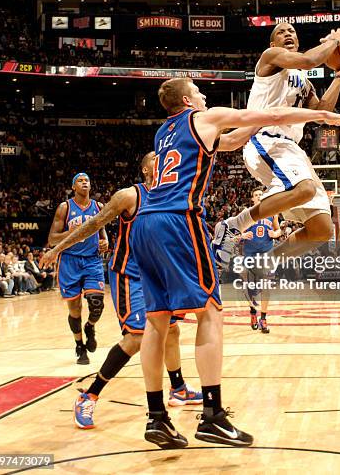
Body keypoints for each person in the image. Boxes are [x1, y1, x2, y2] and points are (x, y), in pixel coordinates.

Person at [131, 77, 340, 450]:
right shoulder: (203, 117)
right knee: (210, 313)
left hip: (146, 222)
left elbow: (233, 140)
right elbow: (269, 112)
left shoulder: (163, 134)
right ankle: (212, 416)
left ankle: (156, 418)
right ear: (188, 100)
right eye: (199, 92)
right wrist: (321, 113)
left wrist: (256, 128)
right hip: (177, 221)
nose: (205, 96)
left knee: (157, 323)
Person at [41, 136, 257, 429]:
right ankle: (89, 395)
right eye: (157, 159)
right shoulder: (130, 195)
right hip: (131, 276)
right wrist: (56, 248)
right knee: (138, 337)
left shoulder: (176, 196)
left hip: (161, 275)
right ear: (146, 169)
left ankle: (178, 389)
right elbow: (93, 225)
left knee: (172, 332)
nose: (165, 160)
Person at [213, 24, 340, 266]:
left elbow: (321, 112)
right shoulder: (270, 57)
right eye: (281, 32)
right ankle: (233, 226)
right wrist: (334, 41)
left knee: (321, 229)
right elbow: (309, 60)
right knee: (305, 189)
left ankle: (264, 266)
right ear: (273, 44)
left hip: (291, 148)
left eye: (292, 31)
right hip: (265, 137)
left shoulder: (304, 83)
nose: (288, 34)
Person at [47, 173, 108, 365]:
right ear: (73, 187)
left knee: (97, 303)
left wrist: (104, 240)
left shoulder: (98, 207)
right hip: (70, 261)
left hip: (92, 260)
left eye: (87, 180)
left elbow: (101, 229)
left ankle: (90, 327)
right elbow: (52, 239)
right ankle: (80, 346)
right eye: (80, 181)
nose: (84, 182)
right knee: (75, 309)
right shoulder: (65, 208)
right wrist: (71, 232)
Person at [240, 188, 281, 333]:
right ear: (252, 199)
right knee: (250, 287)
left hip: (266, 253)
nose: (258, 196)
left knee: (266, 286)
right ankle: (252, 312)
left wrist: (274, 233)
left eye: (260, 195)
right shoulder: (246, 213)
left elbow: (279, 231)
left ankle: (263, 318)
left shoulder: (272, 211)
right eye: (256, 195)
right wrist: (243, 235)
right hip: (250, 253)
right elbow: (238, 232)